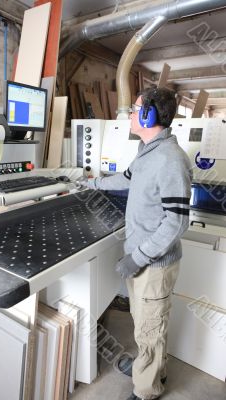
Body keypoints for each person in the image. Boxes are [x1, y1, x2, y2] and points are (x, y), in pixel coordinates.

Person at [81, 87, 192, 400]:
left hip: (153, 263)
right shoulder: (148, 151)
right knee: (145, 323)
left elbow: (176, 221)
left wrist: (139, 257)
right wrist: (92, 183)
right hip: (141, 257)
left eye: (134, 110)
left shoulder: (170, 160)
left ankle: (147, 389)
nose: (129, 115)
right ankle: (151, 364)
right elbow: (127, 179)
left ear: (149, 115)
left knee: (150, 327)